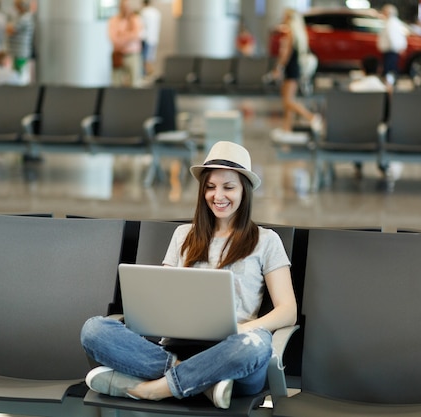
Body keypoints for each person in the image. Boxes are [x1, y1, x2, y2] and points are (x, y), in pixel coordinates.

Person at [80, 141, 297, 410]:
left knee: (257, 346)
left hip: (233, 354)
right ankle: (203, 384)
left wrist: (243, 329)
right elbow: (163, 296)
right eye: (210, 187)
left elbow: (288, 310)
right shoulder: (183, 235)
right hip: (177, 347)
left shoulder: (266, 240)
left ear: (245, 190)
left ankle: (154, 389)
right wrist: (151, 312)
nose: (218, 195)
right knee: (94, 330)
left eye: (228, 187)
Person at [270, 8, 320, 141]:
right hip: (294, 68)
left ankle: (311, 117)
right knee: (287, 101)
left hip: (290, 69)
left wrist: (279, 68)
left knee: (288, 101)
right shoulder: (299, 33)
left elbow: (285, 54)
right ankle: (287, 129)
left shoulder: (290, 33)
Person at [349, 56, 389, 179]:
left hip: (358, 131)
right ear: (379, 70)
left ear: (363, 70)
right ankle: (383, 166)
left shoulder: (354, 88)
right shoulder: (384, 89)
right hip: (379, 131)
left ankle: (358, 166)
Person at [109, 0, 143, 87]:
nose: (125, 8)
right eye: (123, 6)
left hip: (132, 55)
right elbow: (113, 38)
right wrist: (128, 36)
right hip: (118, 55)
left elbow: (136, 35)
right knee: (116, 84)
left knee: (134, 83)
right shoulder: (113, 20)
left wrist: (121, 35)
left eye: (127, 6)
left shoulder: (135, 19)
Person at [377, 4, 407, 84]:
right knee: (390, 68)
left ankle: (390, 86)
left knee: (390, 69)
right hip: (391, 50)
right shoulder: (392, 22)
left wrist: (397, 48)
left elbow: (393, 38)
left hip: (391, 50)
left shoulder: (392, 23)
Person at [7, 0, 35, 84]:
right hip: (16, 51)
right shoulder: (19, 16)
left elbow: (11, 30)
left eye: (16, 5)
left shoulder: (25, 17)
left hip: (21, 51)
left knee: (20, 76)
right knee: (15, 73)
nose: (15, 8)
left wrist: (9, 28)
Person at [139, 0, 161, 78]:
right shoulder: (156, 12)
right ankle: (149, 75)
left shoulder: (144, 12)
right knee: (149, 59)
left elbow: (141, 26)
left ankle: (148, 75)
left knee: (145, 60)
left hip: (146, 39)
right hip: (154, 38)